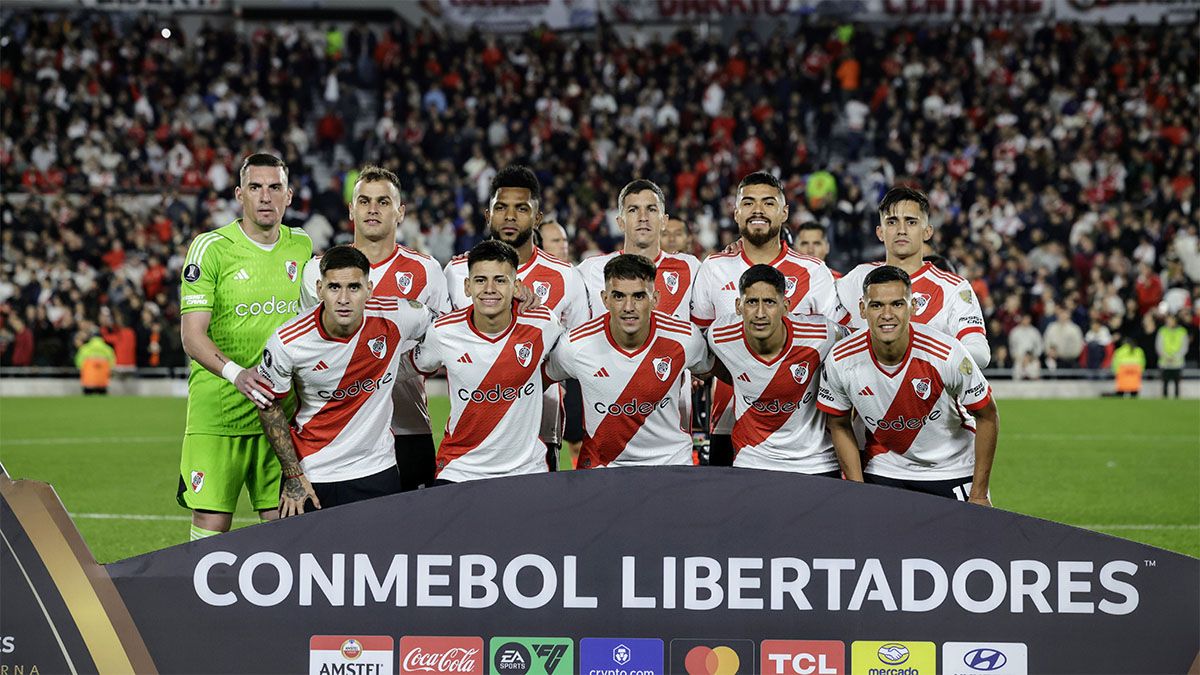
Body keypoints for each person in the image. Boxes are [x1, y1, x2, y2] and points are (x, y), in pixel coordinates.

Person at [177, 153, 313, 541]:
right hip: (219, 416)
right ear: (240, 194)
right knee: (212, 528)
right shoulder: (211, 248)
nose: (265, 197)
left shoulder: (302, 246)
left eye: (274, 187)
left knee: (284, 524)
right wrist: (238, 375)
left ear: (289, 196)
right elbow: (192, 335)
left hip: (279, 416)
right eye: (255, 187)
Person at [300, 165, 451, 491]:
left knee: (410, 525)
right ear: (351, 210)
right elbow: (309, 350)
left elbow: (442, 346)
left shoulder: (426, 270)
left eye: (383, 202)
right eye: (364, 201)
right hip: (338, 432)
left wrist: (391, 367)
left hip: (407, 428)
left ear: (400, 212)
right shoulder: (316, 271)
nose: (372, 209)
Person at [256, 246, 434, 514]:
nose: (343, 298)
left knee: (381, 543)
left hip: (377, 470)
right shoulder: (288, 341)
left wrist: (410, 365)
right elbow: (268, 405)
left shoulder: (397, 316)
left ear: (369, 289)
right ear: (319, 289)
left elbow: (448, 330)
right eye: (334, 287)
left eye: (354, 287)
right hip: (312, 473)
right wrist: (293, 475)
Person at [691, 171, 845, 467]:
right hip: (729, 422)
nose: (758, 210)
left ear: (784, 212)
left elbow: (837, 350)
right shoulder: (713, 268)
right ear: (736, 213)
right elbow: (702, 348)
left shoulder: (813, 271)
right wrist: (741, 377)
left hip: (804, 435)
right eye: (748, 203)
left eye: (768, 203)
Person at [444, 166, 587, 471]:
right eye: (501, 208)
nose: (509, 216)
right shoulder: (456, 273)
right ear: (488, 215)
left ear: (537, 218)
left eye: (521, 209)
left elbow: (579, 355)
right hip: (471, 440)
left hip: (539, 435)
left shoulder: (566, 276)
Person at [819, 265, 1000, 504]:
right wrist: (858, 489)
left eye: (897, 304)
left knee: (970, 530)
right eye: (876, 305)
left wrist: (978, 494)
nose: (887, 314)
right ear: (862, 309)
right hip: (885, 468)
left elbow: (988, 416)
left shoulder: (947, 354)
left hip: (951, 467)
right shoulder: (841, 359)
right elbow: (838, 423)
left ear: (913, 307)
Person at [414, 240, 562, 483]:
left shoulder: (543, 323)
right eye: (481, 280)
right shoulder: (443, 332)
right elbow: (407, 368)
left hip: (526, 470)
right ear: (467, 286)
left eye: (500, 280)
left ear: (517, 286)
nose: (490, 289)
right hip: (460, 469)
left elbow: (570, 361)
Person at [545, 254, 713, 468]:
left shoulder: (685, 338)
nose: (628, 307)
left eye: (639, 296)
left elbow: (714, 370)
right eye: (618, 296)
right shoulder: (575, 345)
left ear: (655, 299)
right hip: (602, 466)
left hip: (669, 462)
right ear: (605, 299)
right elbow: (538, 379)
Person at [707, 265, 848, 475]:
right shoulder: (720, 336)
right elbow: (703, 366)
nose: (760, 313)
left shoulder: (822, 334)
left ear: (786, 306)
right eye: (752, 302)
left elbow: (857, 352)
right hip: (752, 460)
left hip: (816, 462)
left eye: (770, 302)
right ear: (738, 306)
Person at [836, 186, 990, 369]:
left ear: (927, 232)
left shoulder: (953, 288)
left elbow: (980, 353)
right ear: (880, 232)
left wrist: (920, 354)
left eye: (911, 222)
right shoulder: (857, 278)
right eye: (892, 222)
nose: (901, 230)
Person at [577, 180, 701, 320]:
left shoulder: (691, 268)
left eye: (651, 209)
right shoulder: (590, 270)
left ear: (664, 221)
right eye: (633, 210)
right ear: (620, 223)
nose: (643, 218)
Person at [1156, 314, 1188, 398]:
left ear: (1175, 321)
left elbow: (1184, 347)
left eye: (1171, 320)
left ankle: (1177, 400)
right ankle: (1164, 400)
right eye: (1168, 320)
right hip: (1165, 363)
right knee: (1165, 384)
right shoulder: (1162, 331)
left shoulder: (1182, 331)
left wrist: (1175, 357)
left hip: (1177, 363)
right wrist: (1166, 357)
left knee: (1177, 384)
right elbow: (1159, 346)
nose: (1169, 322)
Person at [75, 329, 116, 395]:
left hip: (89, 379)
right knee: (102, 396)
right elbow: (112, 362)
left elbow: (79, 362)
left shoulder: (85, 348)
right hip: (102, 379)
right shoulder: (108, 349)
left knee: (88, 395)